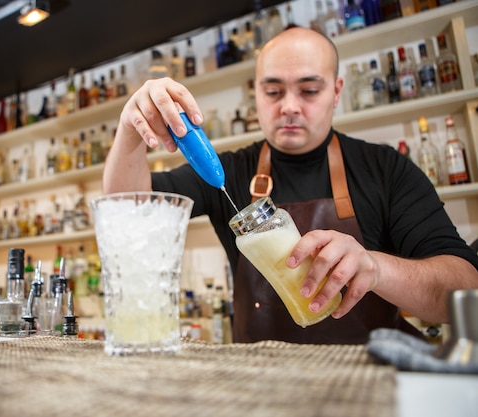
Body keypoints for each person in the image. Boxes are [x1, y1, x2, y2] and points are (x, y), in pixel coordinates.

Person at [102, 27, 478, 344]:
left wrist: (376, 268)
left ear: (337, 91)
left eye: (310, 90)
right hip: (263, 389)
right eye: (273, 91)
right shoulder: (230, 171)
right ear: (256, 93)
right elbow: (126, 211)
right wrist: (129, 131)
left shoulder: (386, 169)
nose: (290, 106)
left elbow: (464, 292)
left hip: (372, 383)